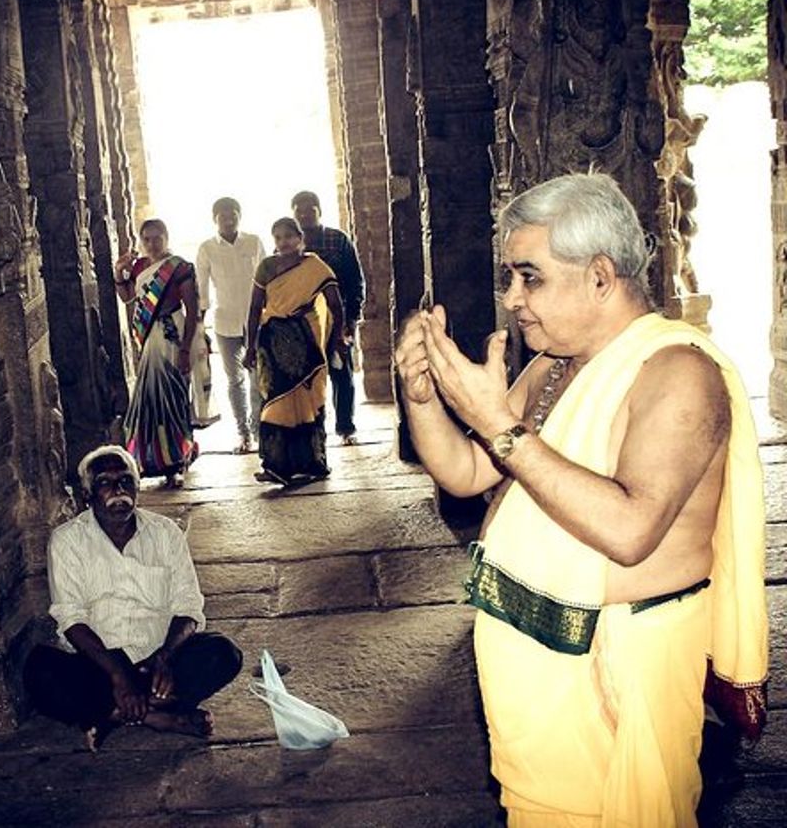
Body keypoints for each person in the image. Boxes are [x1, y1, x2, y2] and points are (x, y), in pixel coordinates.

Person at [394, 173, 767, 825]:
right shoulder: (557, 364)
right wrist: (422, 399)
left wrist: (500, 425)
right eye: (510, 277)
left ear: (600, 276)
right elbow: (466, 471)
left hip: (617, 678)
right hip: (537, 680)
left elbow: (631, 529)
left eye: (529, 277)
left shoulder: (679, 372)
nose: (512, 298)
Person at [23, 445, 242, 750]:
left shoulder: (165, 533)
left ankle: (114, 713)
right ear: (86, 495)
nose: (118, 490)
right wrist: (119, 675)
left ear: (138, 488)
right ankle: (158, 715)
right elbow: (71, 618)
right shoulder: (67, 541)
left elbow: (188, 606)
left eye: (126, 481)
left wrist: (164, 658)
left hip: (160, 662)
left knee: (223, 653)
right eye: (104, 483)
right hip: (101, 665)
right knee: (40, 669)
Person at [242, 218, 347, 485]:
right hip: (272, 341)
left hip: (306, 339)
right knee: (275, 402)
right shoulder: (266, 267)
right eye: (278, 237)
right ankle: (276, 465)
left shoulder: (315, 267)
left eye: (289, 236)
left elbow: (336, 305)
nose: (284, 242)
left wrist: (336, 340)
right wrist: (250, 346)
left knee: (308, 405)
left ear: (301, 238)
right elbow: (254, 308)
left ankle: (313, 462)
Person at [115, 219, 208, 487]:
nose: (152, 244)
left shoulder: (178, 267)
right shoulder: (141, 266)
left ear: (166, 237)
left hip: (173, 334)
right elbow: (128, 297)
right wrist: (120, 271)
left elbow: (192, 310)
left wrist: (185, 347)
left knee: (174, 395)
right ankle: (151, 458)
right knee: (147, 398)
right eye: (146, 239)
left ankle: (176, 459)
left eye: (157, 238)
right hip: (149, 339)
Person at [291, 190, 365, 445]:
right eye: (299, 210)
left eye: (309, 209)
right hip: (303, 323)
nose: (304, 214)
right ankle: (313, 431)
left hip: (337, 318)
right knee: (308, 378)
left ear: (319, 211)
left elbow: (355, 281)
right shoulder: (291, 247)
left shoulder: (337, 239)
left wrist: (352, 319)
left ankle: (346, 428)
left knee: (341, 372)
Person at [195, 197, 267, 454]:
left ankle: (261, 432)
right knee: (234, 380)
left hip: (256, 320)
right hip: (225, 322)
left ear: (239, 215)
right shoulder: (207, 248)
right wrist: (199, 325)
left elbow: (266, 278)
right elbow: (201, 288)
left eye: (233, 214)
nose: (228, 219)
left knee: (258, 378)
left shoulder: (254, 242)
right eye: (223, 215)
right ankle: (243, 434)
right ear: (215, 219)